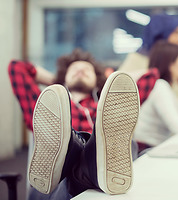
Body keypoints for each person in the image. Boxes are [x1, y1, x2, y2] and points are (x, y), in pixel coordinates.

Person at [8, 49, 139, 199]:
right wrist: (56, 81)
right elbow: (16, 67)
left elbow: (151, 76)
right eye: (75, 69)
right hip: (56, 186)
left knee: (130, 143)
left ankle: (88, 162)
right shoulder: (47, 105)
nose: (81, 71)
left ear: (97, 80)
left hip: (99, 177)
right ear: (64, 77)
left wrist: (108, 80)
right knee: (73, 165)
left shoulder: (109, 106)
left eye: (87, 70)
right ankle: (80, 161)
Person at [119, 13, 178, 122]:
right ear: (160, 33)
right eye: (176, 33)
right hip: (144, 124)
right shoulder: (138, 59)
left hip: (174, 122)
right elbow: (119, 91)